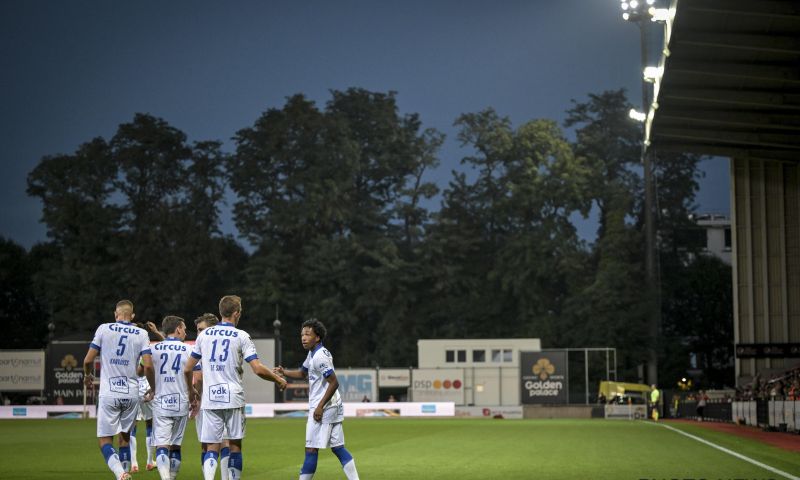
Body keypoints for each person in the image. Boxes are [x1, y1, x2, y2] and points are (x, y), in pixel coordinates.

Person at [184, 295, 287, 480]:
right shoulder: (242, 336)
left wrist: (192, 392)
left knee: (211, 446)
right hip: (233, 397)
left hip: (210, 397)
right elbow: (257, 368)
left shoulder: (204, 335)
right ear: (237, 313)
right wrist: (277, 380)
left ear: (220, 312)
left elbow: (187, 368)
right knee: (234, 446)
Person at [274, 319, 360, 480]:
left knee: (311, 449)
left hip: (324, 407)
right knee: (338, 447)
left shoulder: (320, 356)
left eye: (307, 334)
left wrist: (320, 406)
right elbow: (302, 373)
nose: (303, 338)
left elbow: (334, 382)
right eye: (302, 334)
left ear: (318, 337)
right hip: (333, 405)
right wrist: (284, 372)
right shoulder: (313, 353)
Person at [83, 299, 155, 480]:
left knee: (105, 440)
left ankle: (120, 473)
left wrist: (88, 376)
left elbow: (87, 361)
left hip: (109, 392)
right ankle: (125, 473)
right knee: (125, 437)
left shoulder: (104, 329)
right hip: (131, 393)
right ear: (132, 316)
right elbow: (147, 366)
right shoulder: (141, 333)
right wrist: (153, 388)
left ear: (116, 314)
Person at [151, 315, 192, 480]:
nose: (185, 333)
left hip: (161, 401)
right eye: (184, 329)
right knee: (175, 446)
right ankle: (172, 477)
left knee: (161, 445)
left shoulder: (153, 348)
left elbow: (142, 369)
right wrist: (193, 393)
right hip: (181, 402)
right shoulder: (189, 349)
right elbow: (195, 373)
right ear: (177, 329)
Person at [192, 313, 232, 480]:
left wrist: (196, 397)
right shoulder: (226, 345)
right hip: (224, 397)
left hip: (205, 400)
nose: (199, 333)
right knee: (222, 443)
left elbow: (198, 377)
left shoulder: (202, 349)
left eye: (202, 329)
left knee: (210, 444)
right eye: (197, 330)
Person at [131, 321, 164, 472]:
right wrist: (157, 332)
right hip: (146, 387)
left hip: (131, 388)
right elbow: (166, 344)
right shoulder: (147, 346)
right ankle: (150, 461)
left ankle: (133, 464)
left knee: (131, 426)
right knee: (150, 425)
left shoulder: (127, 345)